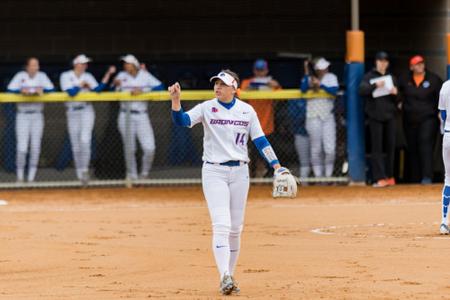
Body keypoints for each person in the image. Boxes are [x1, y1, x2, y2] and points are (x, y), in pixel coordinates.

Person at [169, 70, 289, 295]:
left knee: (236, 228)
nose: (218, 87)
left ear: (234, 88)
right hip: (214, 171)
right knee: (222, 224)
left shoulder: (246, 110)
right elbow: (182, 121)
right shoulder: (207, 107)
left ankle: (229, 276)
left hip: (240, 173)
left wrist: (276, 165)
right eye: (216, 83)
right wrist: (176, 101)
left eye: (223, 84)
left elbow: (261, 140)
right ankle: (223, 274)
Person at [60, 54, 116, 183]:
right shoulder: (66, 75)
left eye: (86, 63)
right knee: (76, 145)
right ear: (76, 64)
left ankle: (85, 171)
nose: (85, 65)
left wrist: (108, 74)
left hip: (86, 110)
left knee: (85, 141)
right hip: (72, 112)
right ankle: (79, 174)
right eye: (83, 63)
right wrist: (81, 85)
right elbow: (71, 93)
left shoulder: (88, 76)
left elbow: (98, 89)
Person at [113, 54, 164, 180]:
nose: (125, 65)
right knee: (130, 149)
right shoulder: (121, 76)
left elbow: (160, 88)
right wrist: (115, 85)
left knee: (149, 148)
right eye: (124, 63)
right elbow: (113, 91)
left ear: (134, 65)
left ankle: (144, 174)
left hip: (142, 115)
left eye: (128, 63)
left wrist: (143, 91)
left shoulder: (144, 75)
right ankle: (132, 176)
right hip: (125, 115)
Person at [7, 57, 55, 182]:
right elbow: (10, 89)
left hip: (37, 115)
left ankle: (31, 178)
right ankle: (20, 177)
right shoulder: (20, 75)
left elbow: (52, 89)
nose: (35, 67)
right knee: (22, 148)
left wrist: (42, 90)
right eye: (33, 65)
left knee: (35, 147)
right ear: (27, 66)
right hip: (23, 115)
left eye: (37, 65)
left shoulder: (42, 76)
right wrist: (22, 91)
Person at [399, 55, 443, 184]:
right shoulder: (404, 79)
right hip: (409, 119)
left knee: (426, 145)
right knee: (412, 148)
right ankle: (415, 178)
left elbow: (442, 97)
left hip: (428, 118)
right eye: (417, 64)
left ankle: (427, 176)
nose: (420, 66)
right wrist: (398, 102)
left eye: (421, 63)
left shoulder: (434, 79)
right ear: (411, 67)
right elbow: (397, 94)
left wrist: (440, 112)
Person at [359, 51, 399, 187]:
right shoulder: (369, 76)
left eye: (385, 61)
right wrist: (375, 85)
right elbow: (362, 90)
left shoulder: (391, 77)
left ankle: (390, 176)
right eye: (380, 61)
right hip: (375, 116)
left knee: (390, 147)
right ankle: (380, 178)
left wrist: (396, 93)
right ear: (376, 62)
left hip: (390, 116)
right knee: (377, 148)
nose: (383, 64)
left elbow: (399, 100)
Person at [240, 59, 280, 177]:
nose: (260, 73)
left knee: (268, 153)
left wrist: (275, 85)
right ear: (254, 70)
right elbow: (240, 94)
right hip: (250, 126)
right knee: (250, 155)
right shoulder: (247, 82)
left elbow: (281, 97)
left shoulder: (272, 83)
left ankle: (269, 176)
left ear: (266, 70)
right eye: (258, 70)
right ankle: (251, 177)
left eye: (262, 70)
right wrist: (251, 88)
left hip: (267, 125)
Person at [300, 57, 338, 178]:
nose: (324, 70)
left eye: (325, 67)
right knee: (316, 149)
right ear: (316, 69)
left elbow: (334, 91)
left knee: (329, 149)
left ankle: (328, 176)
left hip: (327, 116)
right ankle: (318, 177)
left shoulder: (331, 77)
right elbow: (303, 90)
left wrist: (320, 85)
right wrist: (307, 71)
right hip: (313, 116)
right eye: (321, 68)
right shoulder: (309, 78)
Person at [438, 80, 450, 234]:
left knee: (448, 179)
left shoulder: (446, 85)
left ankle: (443, 222)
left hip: (448, 134)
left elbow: (442, 113)